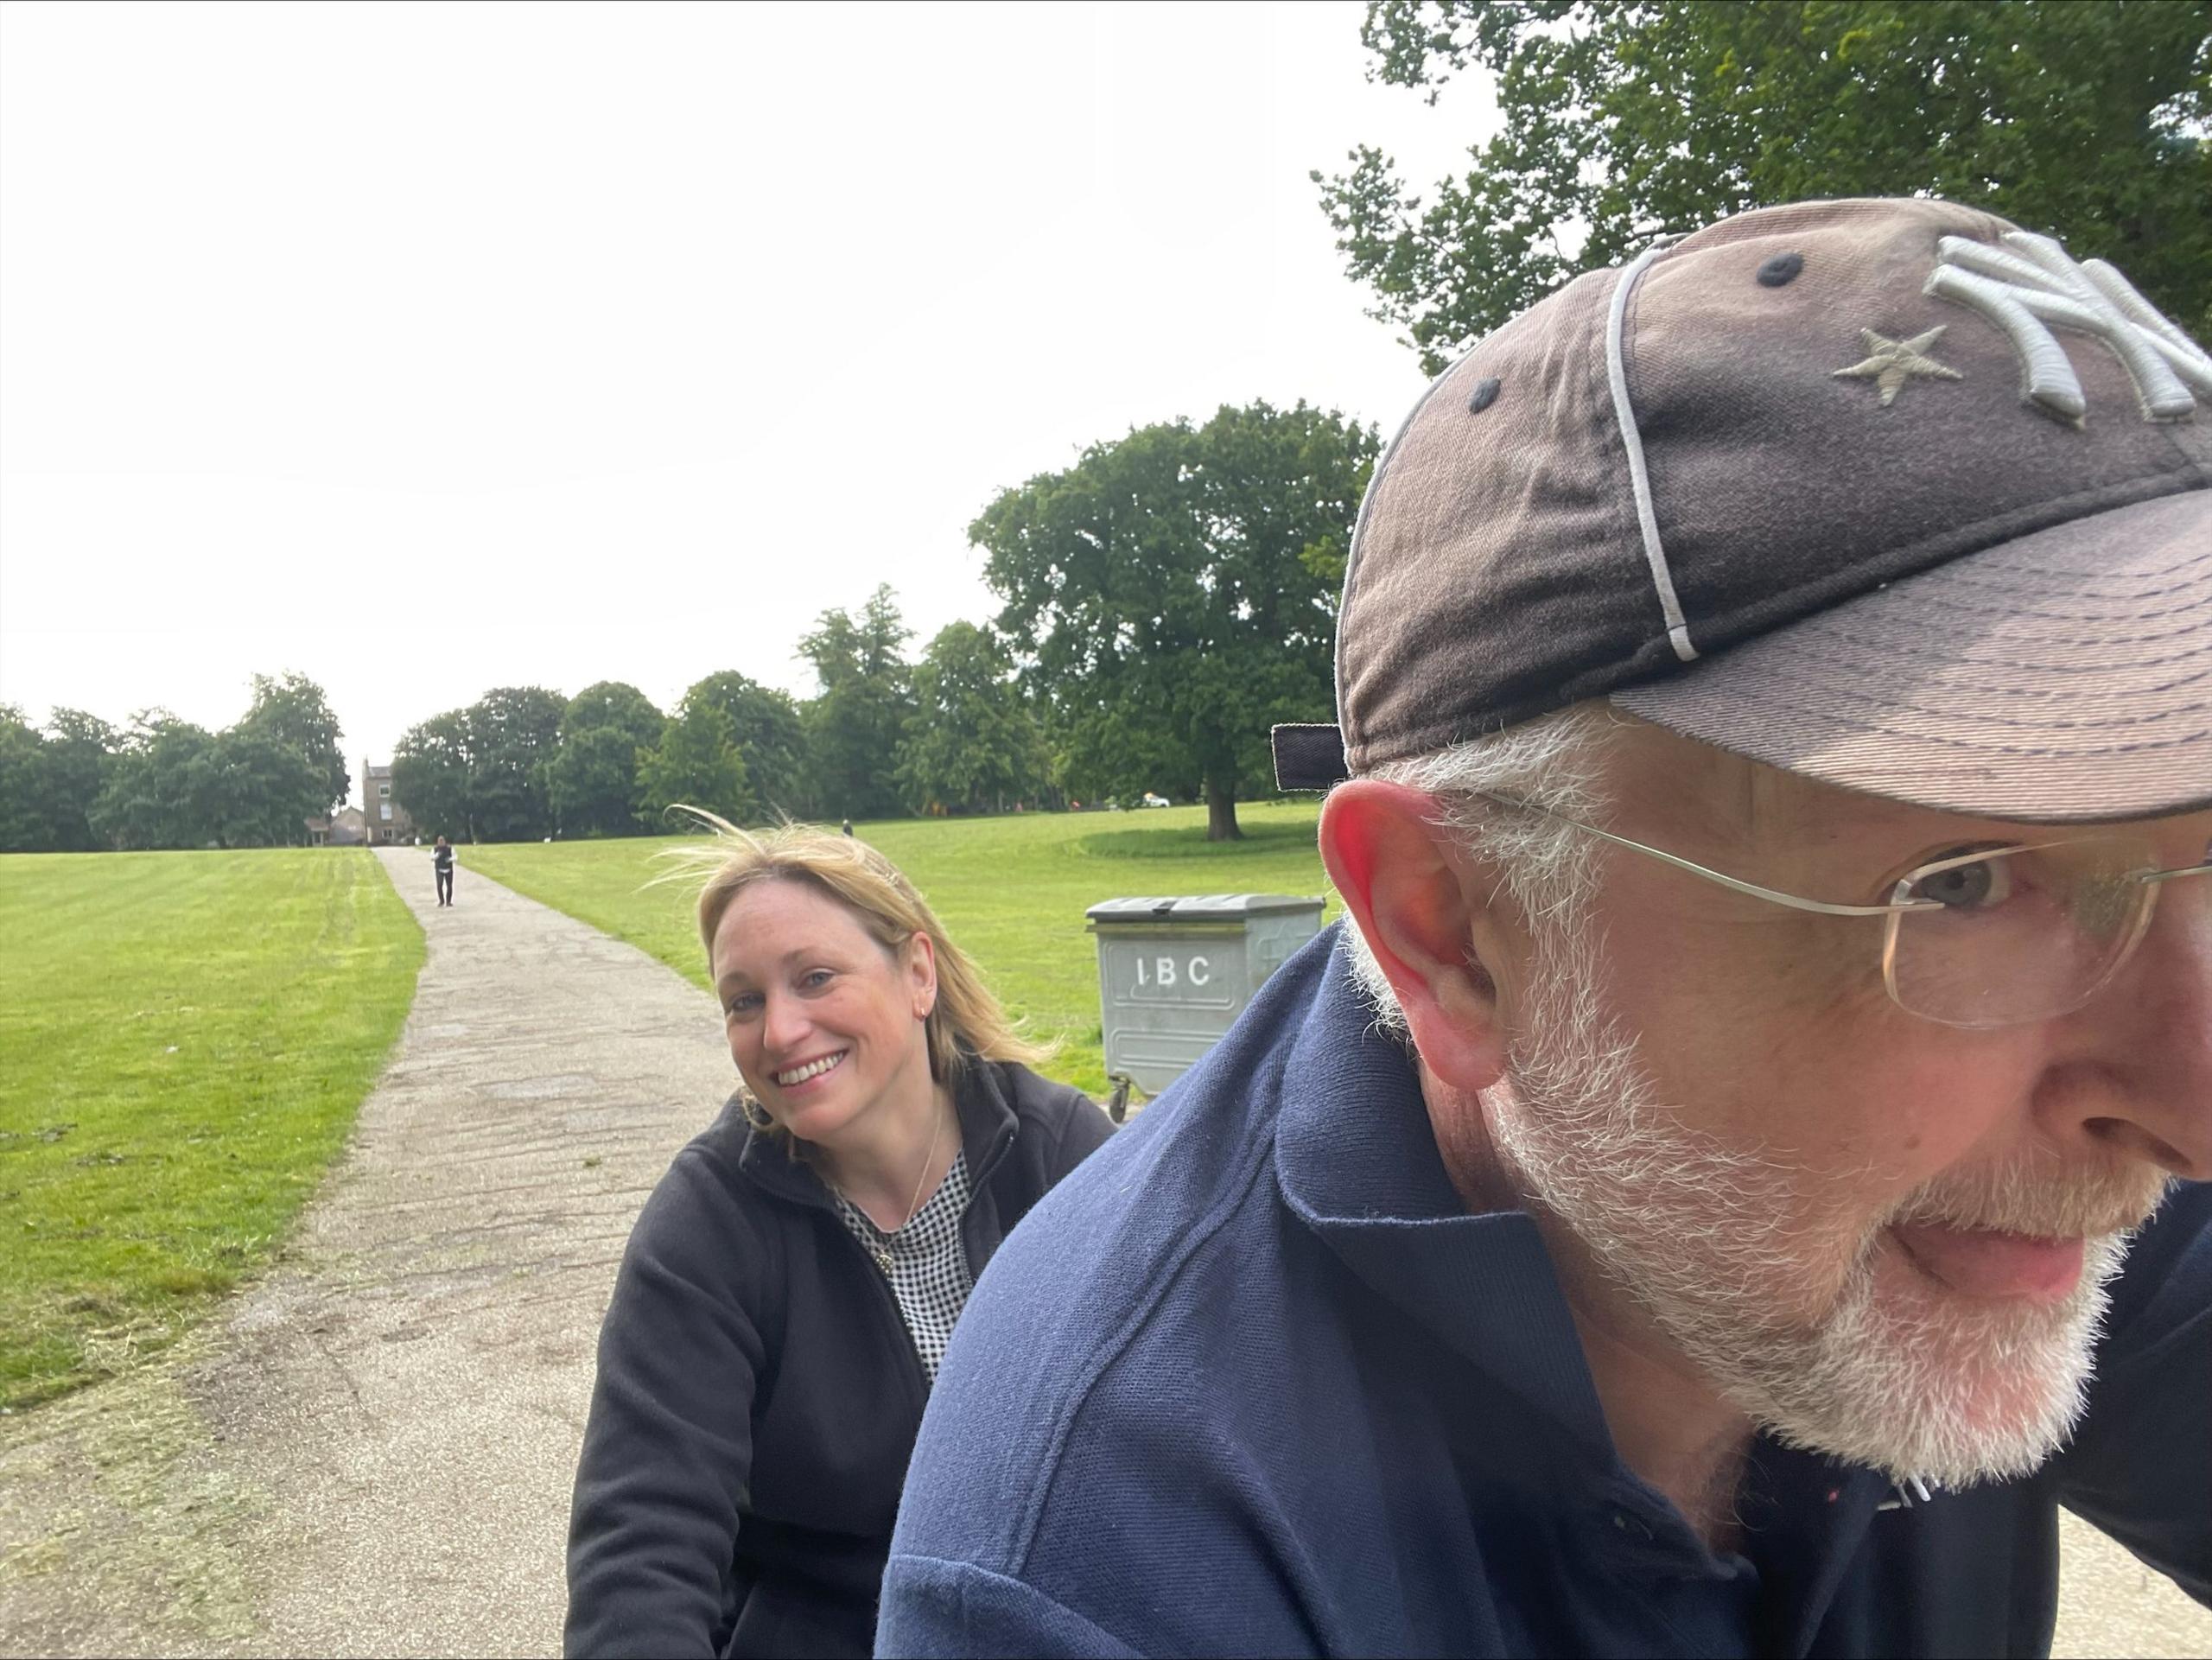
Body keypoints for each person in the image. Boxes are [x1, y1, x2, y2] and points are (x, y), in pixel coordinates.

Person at [879, 196, 2212, 1656]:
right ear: (1452, 931)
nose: (2192, 1108)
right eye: (1958, 885)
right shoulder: (1109, 1564)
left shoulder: (2023, 1156)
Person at [564, 821, 1114, 1658]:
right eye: (744, 1000)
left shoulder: (1057, 1153)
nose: (779, 1031)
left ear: (917, 973)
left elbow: (1201, 1420)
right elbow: (642, 1545)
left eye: (815, 978)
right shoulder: (708, 1224)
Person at [432, 834, 454, 906]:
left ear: (445, 841)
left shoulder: (449, 848)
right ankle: (441, 901)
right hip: (439, 869)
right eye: (440, 841)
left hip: (448, 869)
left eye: (442, 841)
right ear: (438, 842)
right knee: (439, 885)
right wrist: (437, 855)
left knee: (449, 886)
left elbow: (456, 857)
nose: (441, 842)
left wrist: (450, 859)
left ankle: (448, 902)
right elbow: (431, 858)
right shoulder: (435, 849)